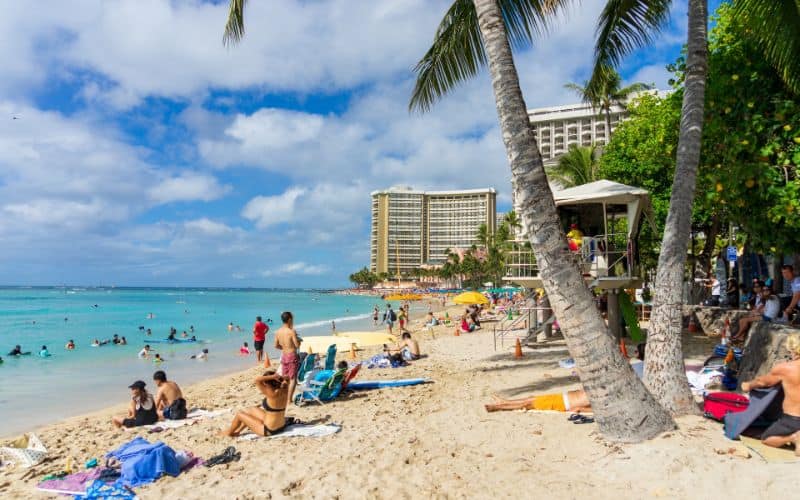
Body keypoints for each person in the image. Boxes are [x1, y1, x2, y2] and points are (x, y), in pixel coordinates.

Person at [741, 334, 800, 454]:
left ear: (794, 350)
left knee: (767, 438)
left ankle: (793, 438)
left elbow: (762, 382)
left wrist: (748, 385)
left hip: (793, 420)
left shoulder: (785, 369)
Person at [220, 369, 301, 438]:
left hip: (269, 430)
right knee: (251, 410)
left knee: (239, 414)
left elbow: (257, 380)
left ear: (266, 383)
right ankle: (238, 431)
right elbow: (287, 378)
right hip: (281, 426)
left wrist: (273, 376)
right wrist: (278, 377)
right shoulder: (285, 389)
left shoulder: (271, 393)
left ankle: (229, 433)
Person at [485, 389, 592, 414]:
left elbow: (579, 409)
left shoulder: (601, 401)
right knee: (531, 398)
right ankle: (505, 401)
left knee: (529, 404)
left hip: (562, 404)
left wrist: (580, 409)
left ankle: (497, 407)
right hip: (561, 397)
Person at [274, 311, 300, 406]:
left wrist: (284, 347)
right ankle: (289, 400)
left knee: (285, 378)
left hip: (284, 355)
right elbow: (297, 345)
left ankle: (283, 398)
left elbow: (276, 345)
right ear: (289, 319)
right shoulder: (291, 331)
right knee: (293, 378)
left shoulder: (278, 331)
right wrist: (298, 340)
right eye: (292, 319)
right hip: (292, 355)